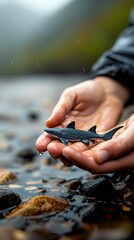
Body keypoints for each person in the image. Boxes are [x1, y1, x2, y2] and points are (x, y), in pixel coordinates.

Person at [36, 9, 134, 174]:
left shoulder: (62, 136)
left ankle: (103, 137)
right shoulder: (58, 135)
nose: (49, 132)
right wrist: (111, 84)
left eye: (51, 132)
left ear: (56, 134)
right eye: (50, 132)